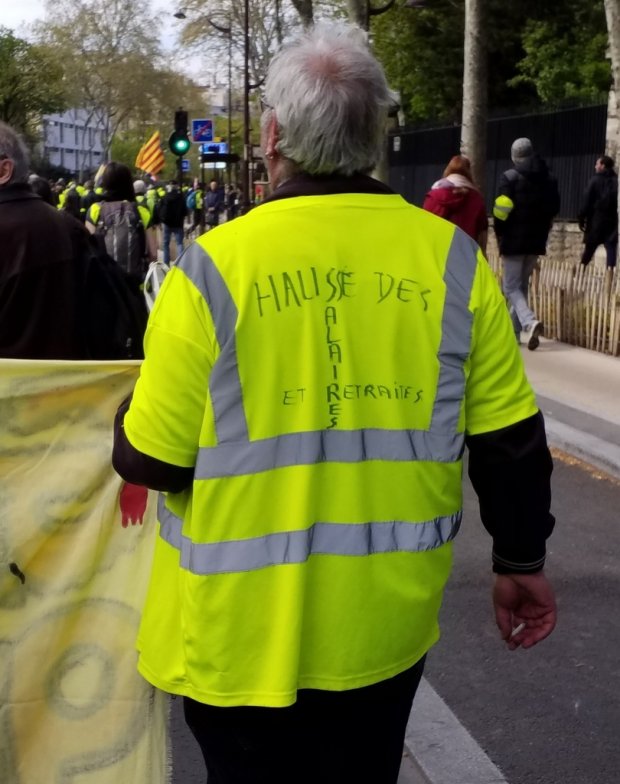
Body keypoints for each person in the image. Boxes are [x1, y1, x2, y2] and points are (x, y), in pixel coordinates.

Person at [113, 24, 557, 784]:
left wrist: (131, 404)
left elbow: (149, 457)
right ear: (377, 135)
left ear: (274, 135)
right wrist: (520, 559)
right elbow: (510, 440)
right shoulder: (451, 262)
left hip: (236, 634)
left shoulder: (211, 269)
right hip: (381, 632)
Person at [493, 137, 560, 350]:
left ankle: (529, 322)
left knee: (510, 286)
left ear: (515, 156)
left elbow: (502, 210)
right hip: (537, 239)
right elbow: (554, 207)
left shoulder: (509, 178)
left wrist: (499, 234)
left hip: (513, 240)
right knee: (521, 286)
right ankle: (514, 334)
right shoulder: (549, 178)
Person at [85, 162, 156, 279]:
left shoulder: (95, 209)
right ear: (129, 183)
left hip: (105, 282)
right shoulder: (141, 211)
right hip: (134, 283)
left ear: (105, 183)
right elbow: (153, 253)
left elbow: (89, 249)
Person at [422, 154, 488, 252]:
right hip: (465, 254)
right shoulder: (476, 199)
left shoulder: (433, 196)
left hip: (438, 253)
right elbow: (482, 232)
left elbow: (424, 227)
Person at [578, 154, 618, 269]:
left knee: (590, 248)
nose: (595, 166)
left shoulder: (595, 180)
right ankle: (610, 275)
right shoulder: (616, 181)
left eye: (597, 164)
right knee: (610, 248)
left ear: (602, 165)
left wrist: (581, 217)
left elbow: (587, 200)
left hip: (596, 220)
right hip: (612, 221)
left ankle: (581, 271)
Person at [157, 180, 186, 265]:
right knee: (179, 243)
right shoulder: (181, 197)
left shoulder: (166, 197)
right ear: (177, 187)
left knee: (166, 244)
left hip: (167, 224)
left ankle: (166, 263)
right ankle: (181, 263)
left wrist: (161, 220)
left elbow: (159, 209)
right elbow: (185, 211)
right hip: (178, 224)